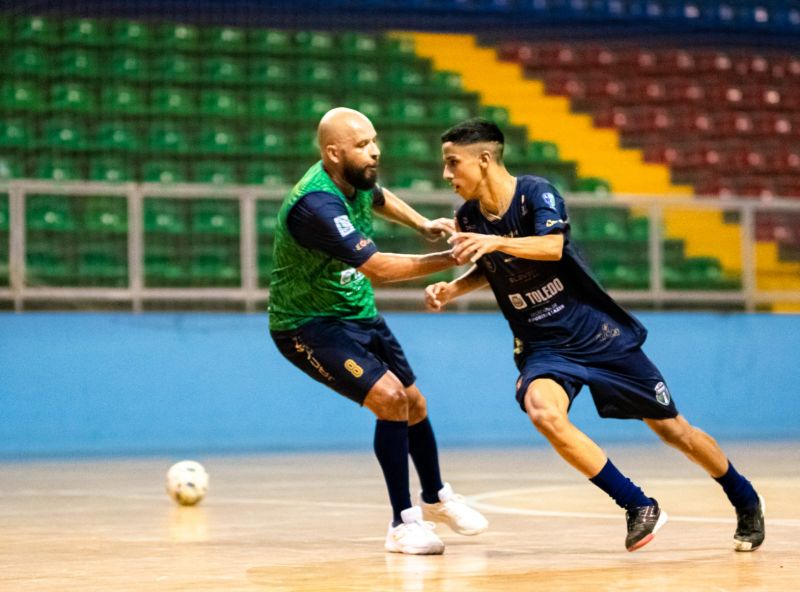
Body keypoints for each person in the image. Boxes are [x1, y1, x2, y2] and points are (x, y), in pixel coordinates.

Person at [424, 118, 765, 553]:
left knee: (675, 431)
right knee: (543, 413)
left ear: (485, 159)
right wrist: (453, 288)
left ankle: (744, 497)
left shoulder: (536, 193)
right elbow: (492, 267)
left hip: (597, 335)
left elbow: (551, 247)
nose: (447, 175)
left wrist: (493, 244)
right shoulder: (470, 216)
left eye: (453, 163)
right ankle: (637, 504)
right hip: (543, 346)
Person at [268, 108, 488, 555]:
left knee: (414, 403)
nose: (375, 151)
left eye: (374, 141)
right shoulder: (316, 204)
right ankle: (402, 523)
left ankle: (435, 498)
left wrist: (423, 224)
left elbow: (381, 198)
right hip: (308, 325)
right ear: (333, 153)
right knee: (390, 399)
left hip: (358, 312)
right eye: (363, 145)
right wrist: (453, 257)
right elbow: (379, 269)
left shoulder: (356, 179)